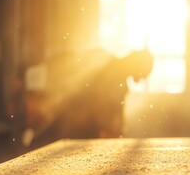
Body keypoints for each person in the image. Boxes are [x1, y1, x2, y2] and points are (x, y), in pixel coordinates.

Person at [24, 48, 153, 146]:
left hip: (71, 127)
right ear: (136, 64)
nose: (143, 79)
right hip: (75, 131)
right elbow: (109, 123)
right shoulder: (116, 81)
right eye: (144, 73)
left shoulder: (103, 58)